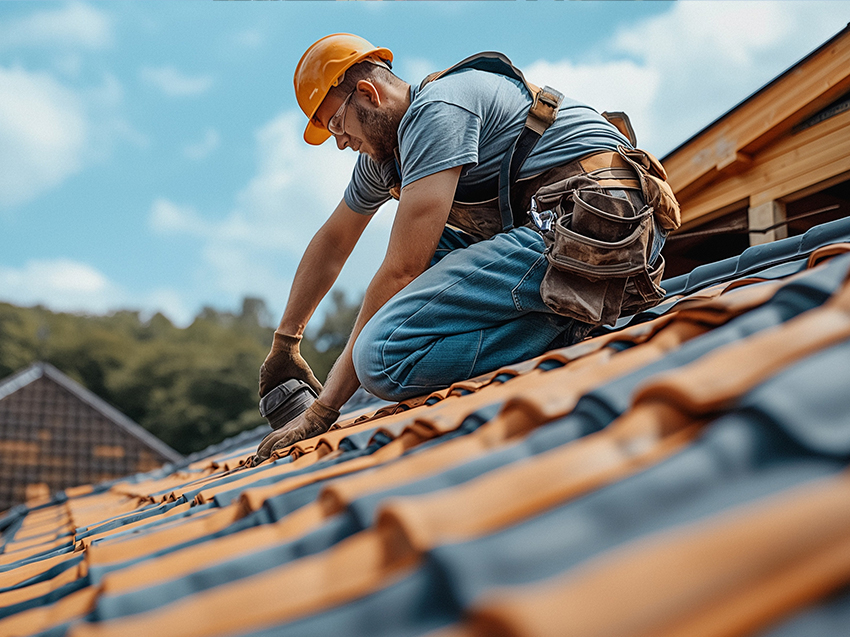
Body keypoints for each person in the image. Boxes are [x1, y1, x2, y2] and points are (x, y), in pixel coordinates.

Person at [254, 33, 676, 461]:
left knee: (381, 356)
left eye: (338, 125)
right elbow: (334, 240)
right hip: (556, 235)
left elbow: (403, 269)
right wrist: (285, 342)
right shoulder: (387, 156)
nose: (341, 142)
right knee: (402, 288)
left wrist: (324, 410)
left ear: (368, 93)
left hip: (604, 226)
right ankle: (557, 314)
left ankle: (572, 321)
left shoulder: (439, 111)